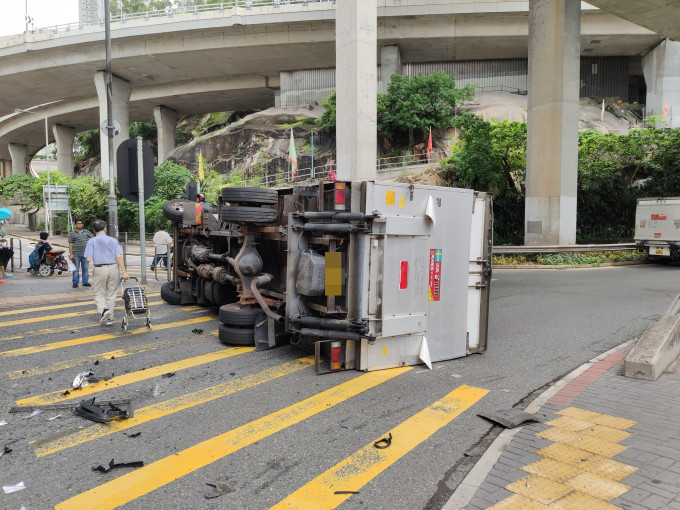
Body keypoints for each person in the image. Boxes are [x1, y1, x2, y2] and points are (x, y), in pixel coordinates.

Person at [84, 219, 129, 326]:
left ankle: (104, 311)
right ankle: (110, 319)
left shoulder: (92, 241)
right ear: (105, 229)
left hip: (100, 269)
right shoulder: (113, 240)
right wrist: (124, 273)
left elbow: (88, 259)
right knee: (111, 293)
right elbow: (119, 257)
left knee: (99, 292)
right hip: (113, 268)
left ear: (94, 230)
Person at [68, 219, 93, 288]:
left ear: (83, 224)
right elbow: (70, 244)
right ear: (75, 224)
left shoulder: (86, 232)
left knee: (85, 269)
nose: (79, 224)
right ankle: (75, 283)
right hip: (76, 255)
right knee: (76, 270)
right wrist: (71, 254)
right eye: (78, 223)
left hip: (85, 254)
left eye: (81, 223)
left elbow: (92, 239)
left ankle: (85, 282)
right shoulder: (72, 233)